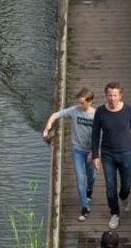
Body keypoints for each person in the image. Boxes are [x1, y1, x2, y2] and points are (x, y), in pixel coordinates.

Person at [89, 82, 131, 231]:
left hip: (126, 153)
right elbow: (95, 135)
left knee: (126, 185)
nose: (112, 98)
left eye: (115, 95)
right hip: (108, 154)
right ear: (106, 95)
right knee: (110, 186)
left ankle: (124, 197)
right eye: (109, 95)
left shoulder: (128, 111)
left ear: (120, 95)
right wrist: (95, 155)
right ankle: (114, 213)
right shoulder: (100, 112)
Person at [42, 87, 97, 221]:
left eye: (82, 103)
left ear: (90, 102)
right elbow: (55, 115)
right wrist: (47, 127)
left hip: (91, 151)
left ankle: (89, 190)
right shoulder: (74, 111)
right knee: (80, 178)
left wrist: (95, 153)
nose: (79, 105)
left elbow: (102, 134)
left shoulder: (97, 115)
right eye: (78, 102)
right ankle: (84, 208)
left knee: (91, 177)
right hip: (77, 150)